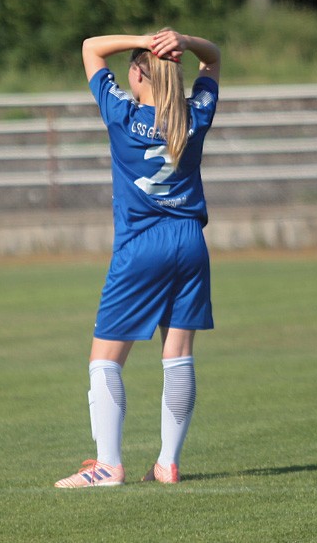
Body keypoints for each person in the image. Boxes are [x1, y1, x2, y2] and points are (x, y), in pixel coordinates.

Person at [54, 29, 221, 488]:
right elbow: (213, 59)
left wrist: (142, 38)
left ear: (138, 75)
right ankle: (167, 463)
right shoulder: (194, 116)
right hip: (190, 241)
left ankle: (108, 466)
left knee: (105, 360)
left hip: (141, 244)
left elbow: (89, 47)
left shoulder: (123, 116)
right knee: (178, 355)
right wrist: (183, 39)